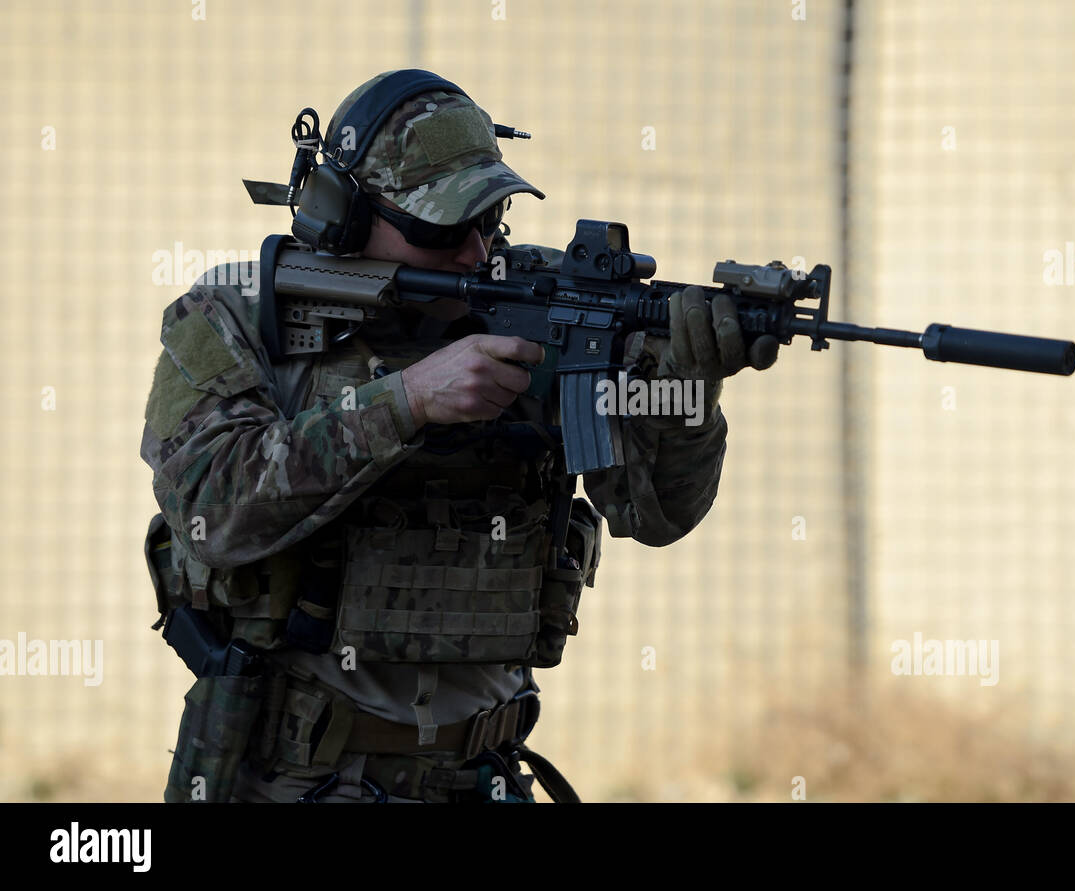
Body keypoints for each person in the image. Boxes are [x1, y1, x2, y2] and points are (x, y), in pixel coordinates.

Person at [141, 69, 779, 803]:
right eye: (442, 228)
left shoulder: (537, 304)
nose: (475, 253)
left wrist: (690, 393)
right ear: (342, 217)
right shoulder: (236, 316)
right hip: (297, 777)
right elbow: (212, 513)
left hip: (485, 775)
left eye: (491, 218)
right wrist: (407, 402)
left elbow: (655, 514)